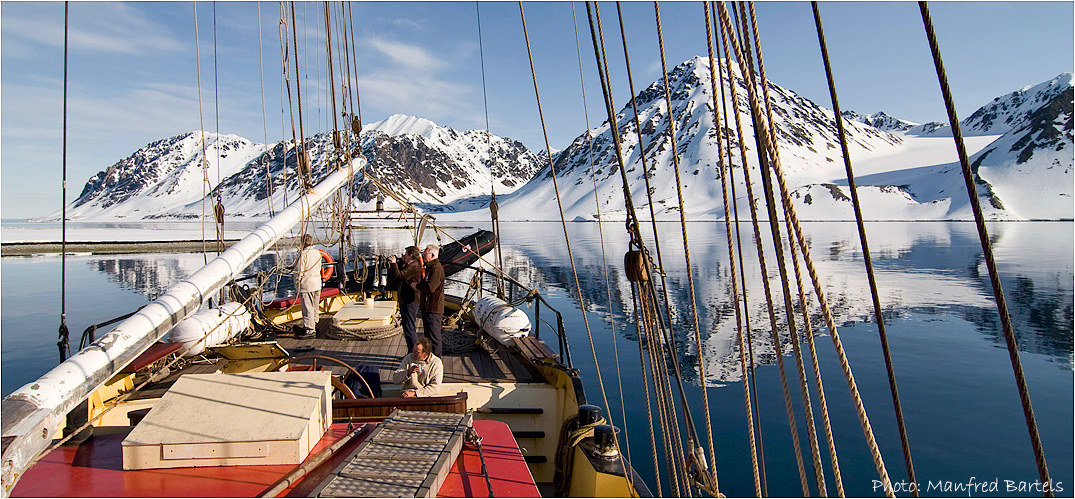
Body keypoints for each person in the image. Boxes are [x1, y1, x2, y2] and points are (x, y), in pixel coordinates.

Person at [388, 246, 422, 353]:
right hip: (405, 299)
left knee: (409, 326)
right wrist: (401, 261)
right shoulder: (408, 264)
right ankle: (410, 351)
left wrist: (394, 264)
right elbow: (400, 271)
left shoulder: (414, 266)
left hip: (410, 300)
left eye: (406, 253)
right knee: (407, 326)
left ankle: (413, 352)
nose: (404, 255)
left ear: (410, 255)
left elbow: (400, 276)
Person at [417, 244, 445, 356]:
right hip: (427, 307)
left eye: (425, 253)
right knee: (428, 336)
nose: (423, 255)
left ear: (432, 255)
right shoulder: (429, 268)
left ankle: (437, 361)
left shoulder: (436, 269)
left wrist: (417, 286)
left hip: (434, 308)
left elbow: (430, 287)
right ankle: (429, 357)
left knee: (434, 337)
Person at [294, 234, 323, 339]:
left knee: (307, 308)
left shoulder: (303, 255)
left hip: (307, 284)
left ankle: (310, 330)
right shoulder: (317, 253)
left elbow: (299, 271)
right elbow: (319, 267)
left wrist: (297, 283)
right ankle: (315, 324)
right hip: (317, 283)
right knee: (315, 306)